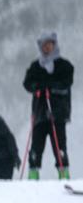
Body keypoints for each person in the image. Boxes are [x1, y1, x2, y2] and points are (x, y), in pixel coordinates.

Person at [23, 31, 73, 180]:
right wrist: (37, 87)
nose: (47, 48)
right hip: (39, 111)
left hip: (58, 112)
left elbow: (66, 83)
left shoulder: (64, 65)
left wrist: (49, 86)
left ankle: (64, 173)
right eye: (44, 45)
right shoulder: (35, 66)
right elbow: (27, 84)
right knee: (36, 145)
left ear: (54, 45)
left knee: (60, 145)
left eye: (50, 44)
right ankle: (33, 173)